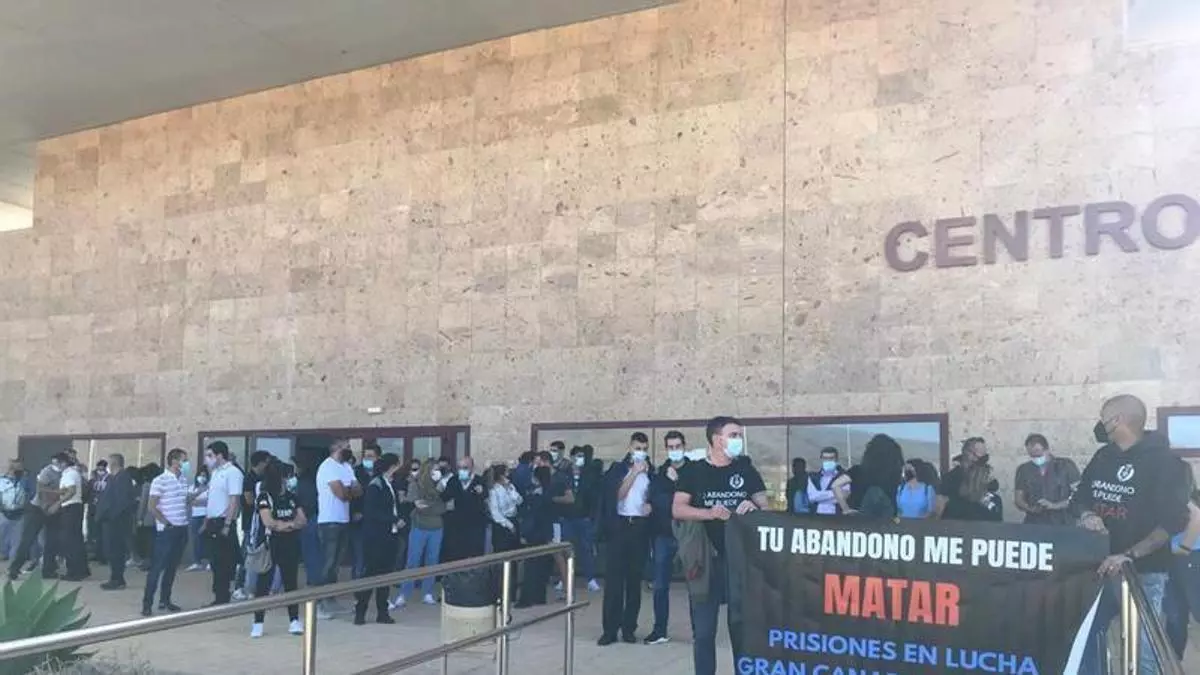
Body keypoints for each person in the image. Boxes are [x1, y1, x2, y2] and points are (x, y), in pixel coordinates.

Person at [1072, 394, 1191, 675]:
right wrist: (1087, 515)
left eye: (1103, 419)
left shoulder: (1168, 464)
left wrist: (1128, 555)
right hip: (1099, 568)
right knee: (1083, 640)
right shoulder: (1103, 456)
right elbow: (1080, 496)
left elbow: (1171, 523)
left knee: (1144, 651)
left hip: (1144, 573)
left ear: (1117, 420)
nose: (1100, 425)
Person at [673, 416, 769, 675]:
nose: (739, 440)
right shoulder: (693, 471)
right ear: (717, 440)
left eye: (739, 435)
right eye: (734, 435)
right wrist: (709, 513)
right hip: (705, 560)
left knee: (742, 630)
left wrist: (754, 506)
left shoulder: (745, 470)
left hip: (740, 561)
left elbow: (766, 506)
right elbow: (678, 509)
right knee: (704, 632)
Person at [598, 433, 653, 646]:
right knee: (614, 581)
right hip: (619, 526)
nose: (641, 452)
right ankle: (610, 629)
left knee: (633, 580)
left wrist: (651, 505)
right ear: (630, 447)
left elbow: (655, 495)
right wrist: (634, 473)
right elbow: (616, 495)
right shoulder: (618, 469)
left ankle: (629, 627)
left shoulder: (651, 471)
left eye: (644, 448)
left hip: (639, 527)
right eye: (638, 448)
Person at [250, 461, 307, 638]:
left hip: (290, 544)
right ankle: (258, 622)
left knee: (291, 582)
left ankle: (294, 620)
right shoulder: (265, 497)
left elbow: (302, 520)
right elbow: (268, 521)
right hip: (270, 545)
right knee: (263, 584)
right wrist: (288, 524)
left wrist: (286, 525)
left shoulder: (292, 497)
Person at [645, 432, 687, 645]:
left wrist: (677, 483)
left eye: (677, 446)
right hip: (664, 534)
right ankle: (659, 629)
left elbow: (694, 499)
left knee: (696, 586)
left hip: (689, 534)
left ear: (684, 446)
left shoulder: (693, 471)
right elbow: (657, 501)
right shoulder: (660, 474)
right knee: (660, 585)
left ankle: (701, 631)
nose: (674, 450)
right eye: (671, 447)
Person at [354, 452, 403, 626]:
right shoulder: (376, 485)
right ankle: (361, 610)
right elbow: (372, 511)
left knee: (386, 575)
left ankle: (383, 612)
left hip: (390, 534)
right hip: (375, 536)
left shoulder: (391, 484)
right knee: (371, 573)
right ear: (392, 466)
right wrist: (393, 519)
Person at [314, 439, 361, 618]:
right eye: (347, 447)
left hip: (343, 520)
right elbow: (341, 494)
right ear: (336, 448)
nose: (350, 450)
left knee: (336, 564)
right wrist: (348, 490)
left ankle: (331, 599)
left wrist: (347, 490)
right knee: (328, 563)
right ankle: (320, 603)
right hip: (329, 521)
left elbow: (358, 490)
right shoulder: (328, 467)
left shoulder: (347, 467)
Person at [393, 459, 447, 609]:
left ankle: (427, 592)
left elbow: (445, 507)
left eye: (438, 470)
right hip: (419, 527)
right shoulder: (415, 485)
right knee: (413, 561)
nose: (437, 473)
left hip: (436, 528)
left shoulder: (441, 486)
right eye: (434, 470)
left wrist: (432, 505)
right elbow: (417, 505)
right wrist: (433, 505)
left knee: (432, 561)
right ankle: (404, 594)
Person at [142, 449, 190, 616]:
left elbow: (184, 500)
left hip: (182, 527)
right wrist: (166, 523)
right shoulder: (160, 480)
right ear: (174, 461)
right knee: (157, 567)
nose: (186, 464)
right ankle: (147, 603)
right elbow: (152, 506)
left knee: (172, 567)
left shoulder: (183, 479)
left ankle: (165, 599)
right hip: (167, 531)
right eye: (184, 460)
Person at [6, 454, 65, 581]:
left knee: (52, 541)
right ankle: (14, 569)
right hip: (37, 509)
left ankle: (48, 570)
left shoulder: (67, 473)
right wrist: (47, 505)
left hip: (53, 510)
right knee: (27, 540)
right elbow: (40, 489)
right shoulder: (47, 472)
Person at [203, 441, 245, 605]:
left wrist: (227, 524)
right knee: (215, 561)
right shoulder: (215, 473)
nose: (207, 459)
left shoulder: (233, 472)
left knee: (224, 561)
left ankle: (222, 596)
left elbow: (234, 499)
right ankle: (218, 595)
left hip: (224, 521)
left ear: (220, 455)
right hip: (212, 521)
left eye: (210, 455)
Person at [557, 447, 601, 594]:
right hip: (567, 517)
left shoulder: (589, 474)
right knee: (566, 549)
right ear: (572, 457)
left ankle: (590, 579)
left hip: (584, 517)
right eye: (577, 456)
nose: (580, 459)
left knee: (586, 549)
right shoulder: (564, 474)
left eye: (582, 456)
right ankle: (563, 578)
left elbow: (594, 497)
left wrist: (591, 516)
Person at [1013, 433, 1081, 526]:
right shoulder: (1024, 469)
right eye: (1032, 456)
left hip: (1063, 521)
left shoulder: (1066, 466)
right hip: (1034, 522)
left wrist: (1055, 506)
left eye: (1038, 455)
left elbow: (1078, 496)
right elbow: (1018, 499)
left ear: (1047, 450)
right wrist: (1030, 508)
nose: (1036, 459)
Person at [515, 465, 555, 609]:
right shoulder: (548, 493)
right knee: (541, 566)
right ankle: (539, 596)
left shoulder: (535, 497)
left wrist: (524, 533)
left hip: (534, 534)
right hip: (544, 533)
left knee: (530, 567)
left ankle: (526, 598)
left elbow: (531, 518)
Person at [96, 453, 137, 590]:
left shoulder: (122, 478)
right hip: (110, 520)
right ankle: (115, 577)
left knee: (116, 551)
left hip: (116, 521)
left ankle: (117, 579)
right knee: (111, 550)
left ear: (114, 463)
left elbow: (122, 501)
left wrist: (111, 515)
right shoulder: (114, 478)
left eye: (109, 463)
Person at [442, 456, 488, 562]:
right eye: (459, 467)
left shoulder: (480, 480)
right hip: (458, 524)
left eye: (465, 467)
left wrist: (481, 492)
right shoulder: (453, 480)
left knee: (475, 553)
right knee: (457, 554)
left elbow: (486, 496)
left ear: (472, 468)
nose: (462, 470)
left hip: (475, 524)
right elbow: (445, 497)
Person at [936, 437, 991, 519]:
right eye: (975, 454)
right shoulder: (949, 479)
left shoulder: (988, 481)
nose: (977, 460)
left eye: (983, 458)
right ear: (966, 452)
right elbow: (940, 509)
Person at [348, 444, 379, 580]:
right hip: (359, 521)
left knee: (374, 555)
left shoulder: (381, 473)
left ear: (377, 458)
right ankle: (357, 585)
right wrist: (354, 512)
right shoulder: (355, 473)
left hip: (376, 521)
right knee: (359, 555)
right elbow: (350, 495)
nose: (367, 459)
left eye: (370, 456)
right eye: (365, 456)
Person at [57, 452, 89, 581]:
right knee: (76, 540)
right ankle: (82, 569)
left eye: (58, 463)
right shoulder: (73, 473)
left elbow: (71, 491)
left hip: (70, 507)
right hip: (75, 507)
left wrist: (57, 503)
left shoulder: (69, 474)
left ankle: (73, 571)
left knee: (70, 541)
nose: (57, 466)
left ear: (64, 463)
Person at [488, 464, 523, 554]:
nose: (509, 474)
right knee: (503, 551)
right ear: (501, 476)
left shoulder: (511, 486)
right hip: (502, 525)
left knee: (515, 551)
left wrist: (510, 490)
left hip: (514, 519)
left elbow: (519, 501)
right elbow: (495, 513)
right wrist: (509, 525)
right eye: (507, 472)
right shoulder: (494, 491)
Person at [807, 447, 848, 515]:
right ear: (821, 459)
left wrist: (819, 496)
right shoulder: (813, 477)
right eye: (825, 458)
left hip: (837, 517)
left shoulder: (844, 477)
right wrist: (836, 493)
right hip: (816, 517)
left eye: (831, 458)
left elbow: (843, 498)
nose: (828, 461)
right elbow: (812, 497)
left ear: (837, 460)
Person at [0, 459, 28, 561]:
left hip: (19, 514)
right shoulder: (1, 481)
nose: (18, 470)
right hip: (3, 513)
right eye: (15, 468)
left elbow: (30, 494)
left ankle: (13, 561)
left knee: (17, 541)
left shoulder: (24, 481)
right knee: (2, 538)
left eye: (20, 468)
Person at [186, 464, 210, 571]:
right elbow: (188, 500)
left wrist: (197, 501)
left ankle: (209, 561)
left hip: (207, 516)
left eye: (204, 475)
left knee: (207, 539)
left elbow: (209, 501)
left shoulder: (210, 487)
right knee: (195, 539)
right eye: (200, 475)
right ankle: (197, 562)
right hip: (195, 516)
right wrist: (199, 492)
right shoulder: (192, 487)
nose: (202, 477)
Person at [86, 460, 109, 563]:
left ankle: (103, 555)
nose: (100, 471)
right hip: (92, 508)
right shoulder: (92, 480)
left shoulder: (109, 479)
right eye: (98, 469)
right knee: (92, 532)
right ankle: (95, 552)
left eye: (102, 469)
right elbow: (88, 493)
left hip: (103, 509)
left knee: (102, 533)